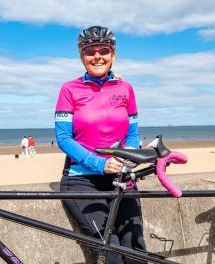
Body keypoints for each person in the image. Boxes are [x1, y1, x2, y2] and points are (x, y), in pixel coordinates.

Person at [55, 26, 145, 263]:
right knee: (110, 255)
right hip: (82, 180)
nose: (97, 56)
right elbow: (64, 138)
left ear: (113, 54)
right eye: (90, 51)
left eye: (104, 50)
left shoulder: (125, 88)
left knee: (136, 253)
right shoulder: (69, 89)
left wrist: (131, 153)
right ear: (81, 56)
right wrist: (99, 164)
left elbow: (133, 133)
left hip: (121, 177)